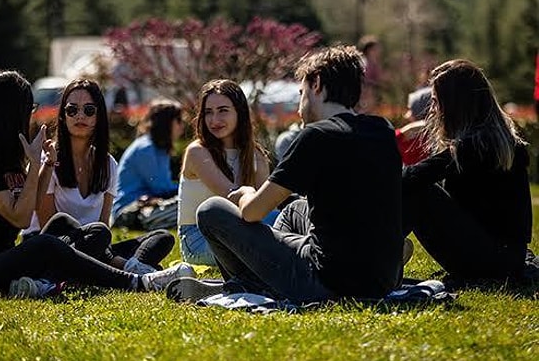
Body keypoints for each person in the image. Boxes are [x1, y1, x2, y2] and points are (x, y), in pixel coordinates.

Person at [167, 46, 404, 303]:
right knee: (294, 209)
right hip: (382, 279)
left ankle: (251, 284)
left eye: (301, 94)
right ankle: (259, 278)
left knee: (211, 210)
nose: (300, 108)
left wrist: (246, 193)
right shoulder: (382, 130)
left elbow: (252, 212)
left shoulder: (315, 136)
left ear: (317, 85)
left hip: (328, 282)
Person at [0, 70, 194, 298]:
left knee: (85, 230)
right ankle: (138, 281)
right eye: (27, 109)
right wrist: (37, 164)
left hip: (9, 259)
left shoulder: (8, 160)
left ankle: (50, 281)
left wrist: (43, 166)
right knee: (47, 243)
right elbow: (21, 219)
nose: (30, 116)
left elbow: (29, 203)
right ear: (10, 113)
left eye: (89, 110)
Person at [401, 59, 533, 281]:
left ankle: (371, 259)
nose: (432, 111)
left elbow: (411, 178)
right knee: (416, 188)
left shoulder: (475, 147)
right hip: (508, 258)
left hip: (495, 263)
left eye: (436, 102)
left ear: (454, 105)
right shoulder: (496, 141)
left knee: (420, 193)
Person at [26, 79, 175, 273]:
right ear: (63, 116)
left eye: (89, 110)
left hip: (93, 243)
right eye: (72, 110)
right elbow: (48, 225)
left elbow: (104, 225)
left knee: (163, 237)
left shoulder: (108, 164)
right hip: (51, 245)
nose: (80, 115)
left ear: (98, 117)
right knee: (98, 235)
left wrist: (98, 247)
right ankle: (128, 269)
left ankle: (124, 267)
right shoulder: (48, 160)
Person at [177, 79, 270, 266]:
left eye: (223, 111)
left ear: (240, 113)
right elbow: (231, 197)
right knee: (273, 243)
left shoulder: (255, 154)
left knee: (283, 218)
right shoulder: (198, 152)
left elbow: (267, 206)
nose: (214, 120)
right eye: (208, 113)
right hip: (198, 240)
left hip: (241, 230)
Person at [112, 99, 184, 230]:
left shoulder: (160, 149)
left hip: (148, 208)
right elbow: (162, 188)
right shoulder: (146, 148)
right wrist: (189, 186)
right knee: (187, 203)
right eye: (179, 121)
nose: (182, 126)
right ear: (167, 123)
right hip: (129, 211)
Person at [395, 86, 432, 166]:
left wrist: (405, 130)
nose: (407, 115)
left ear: (421, 110)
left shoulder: (409, 142)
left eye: (411, 109)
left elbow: (389, 141)